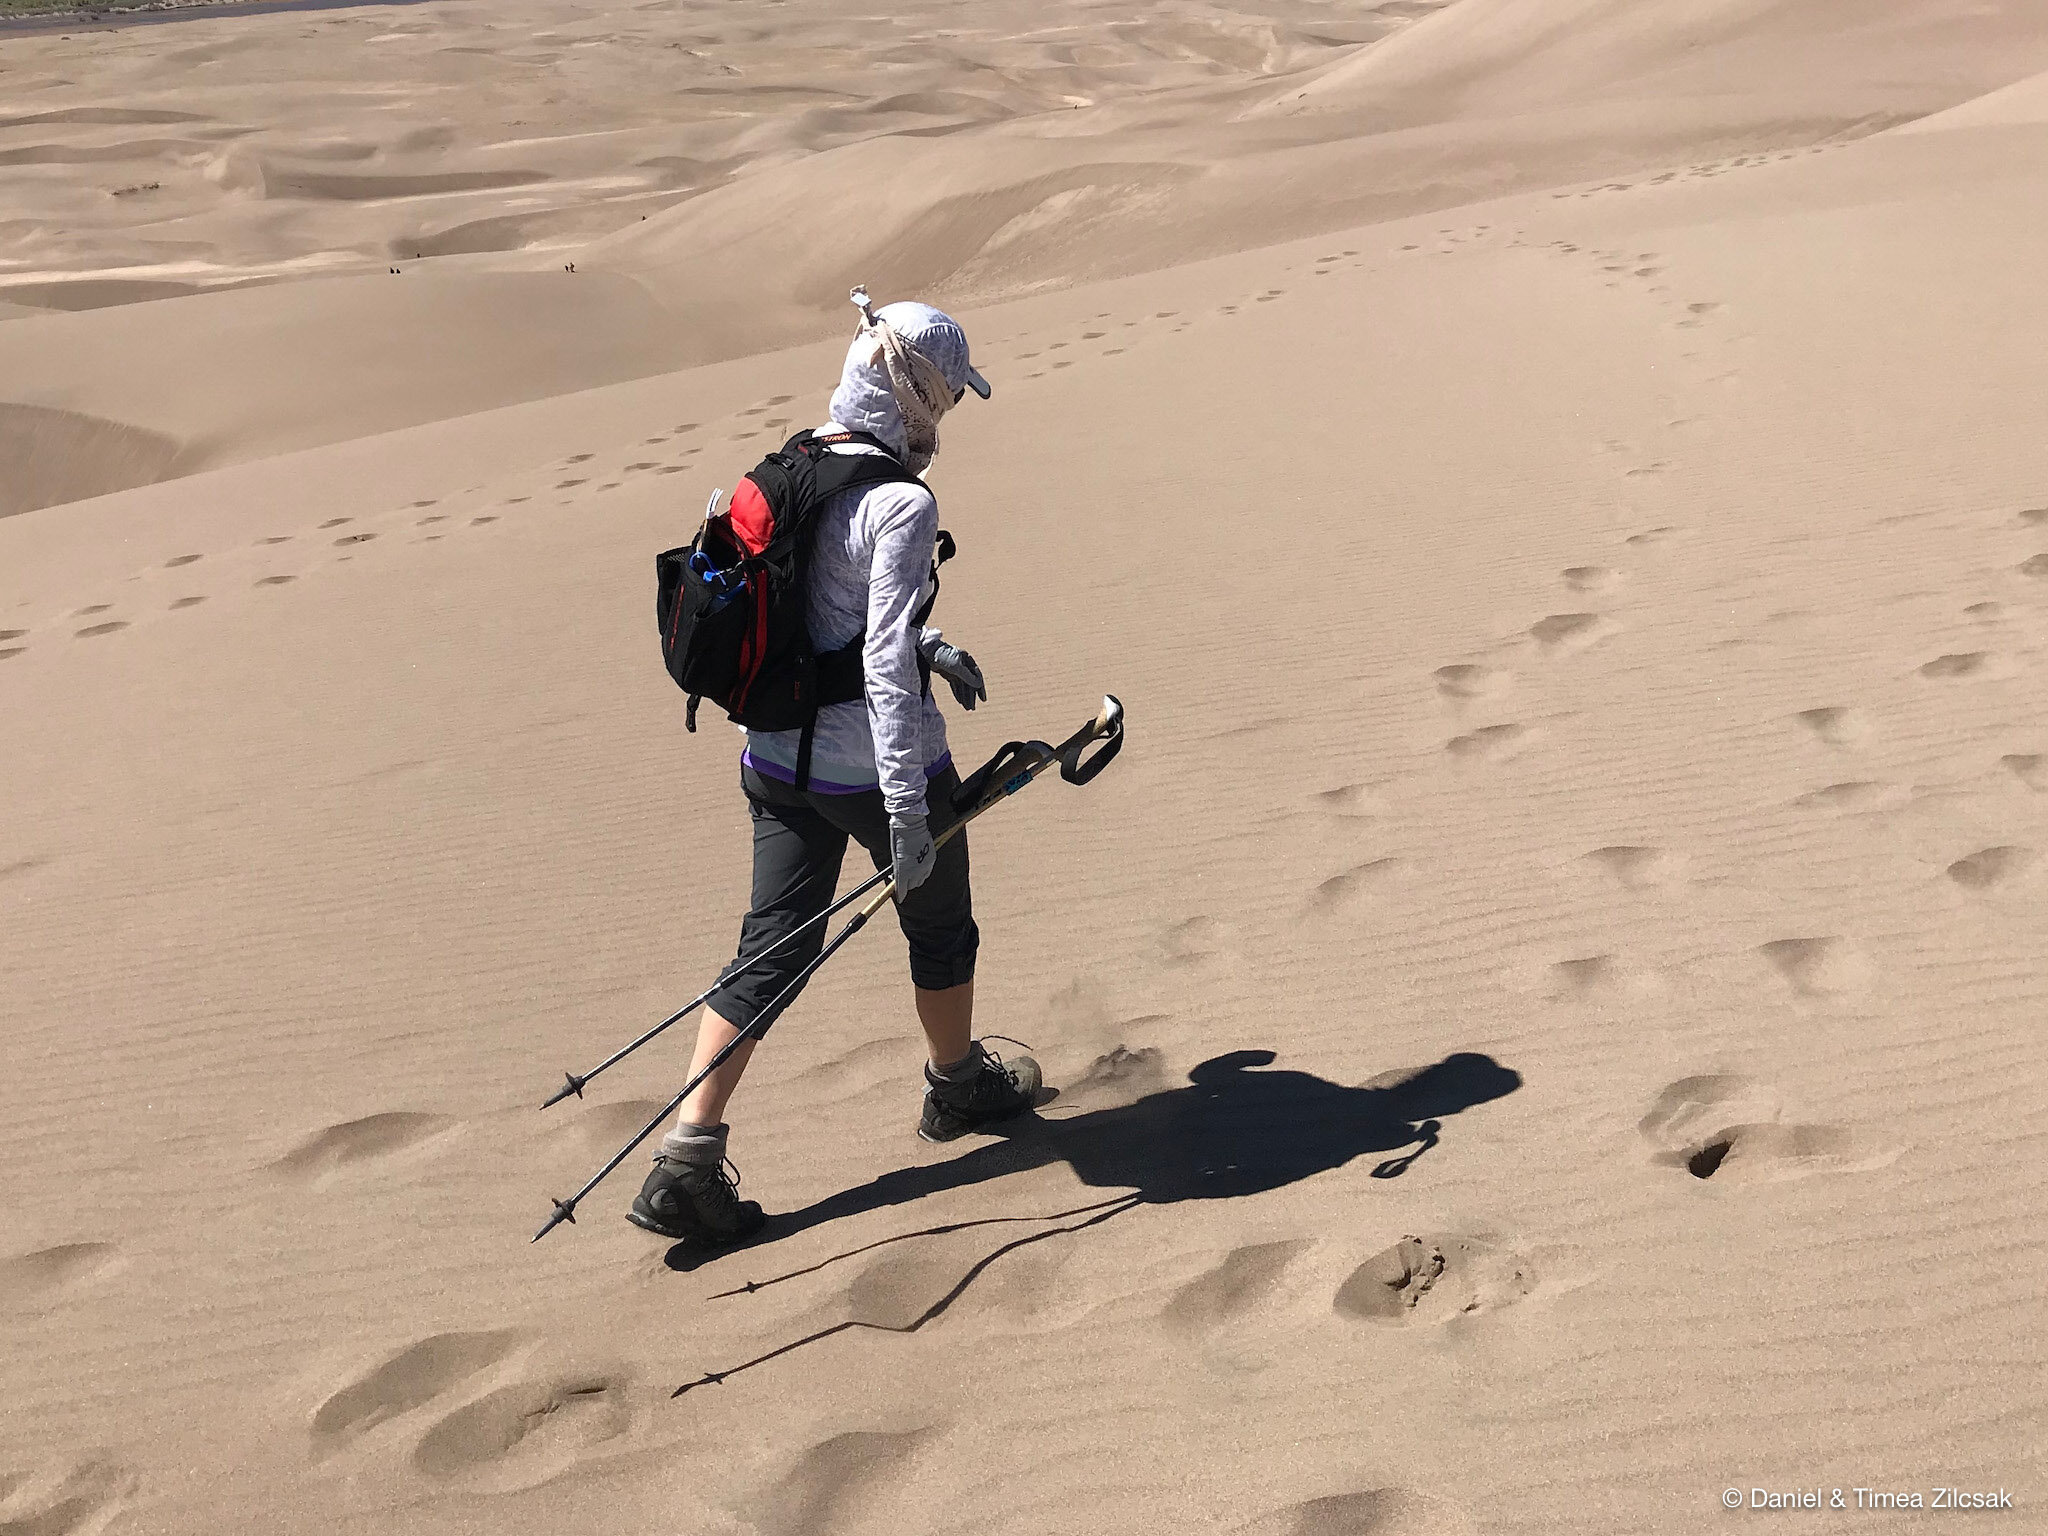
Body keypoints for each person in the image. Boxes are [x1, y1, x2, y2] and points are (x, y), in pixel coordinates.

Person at [630, 293, 1042, 1246]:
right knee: (940, 926)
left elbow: (821, 605)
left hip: (773, 760)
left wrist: (928, 641)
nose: (949, 419)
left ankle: (686, 1155)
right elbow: (880, 670)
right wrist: (907, 813)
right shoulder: (901, 500)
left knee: (769, 949)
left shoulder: (798, 461)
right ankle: (955, 1088)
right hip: (871, 768)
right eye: (949, 399)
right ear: (922, 395)